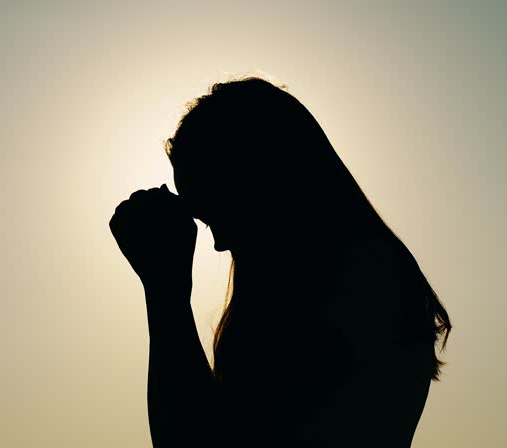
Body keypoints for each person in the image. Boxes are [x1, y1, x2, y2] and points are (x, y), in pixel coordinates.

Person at [109, 77, 451, 447]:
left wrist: (165, 290)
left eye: (215, 215)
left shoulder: (355, 283)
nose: (220, 244)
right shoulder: (370, 274)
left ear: (257, 183)